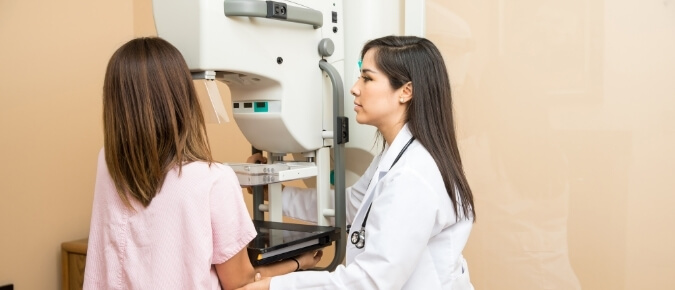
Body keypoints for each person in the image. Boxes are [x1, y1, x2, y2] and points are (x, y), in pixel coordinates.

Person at [83, 37, 322, 290]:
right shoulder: (215, 180)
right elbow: (240, 282)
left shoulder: (108, 163)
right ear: (181, 97)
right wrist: (299, 262)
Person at [241, 35, 476, 289]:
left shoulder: (412, 175)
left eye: (367, 78)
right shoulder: (395, 156)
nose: (354, 88)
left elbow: (370, 281)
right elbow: (351, 205)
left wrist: (273, 285)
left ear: (405, 92)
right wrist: (278, 193)